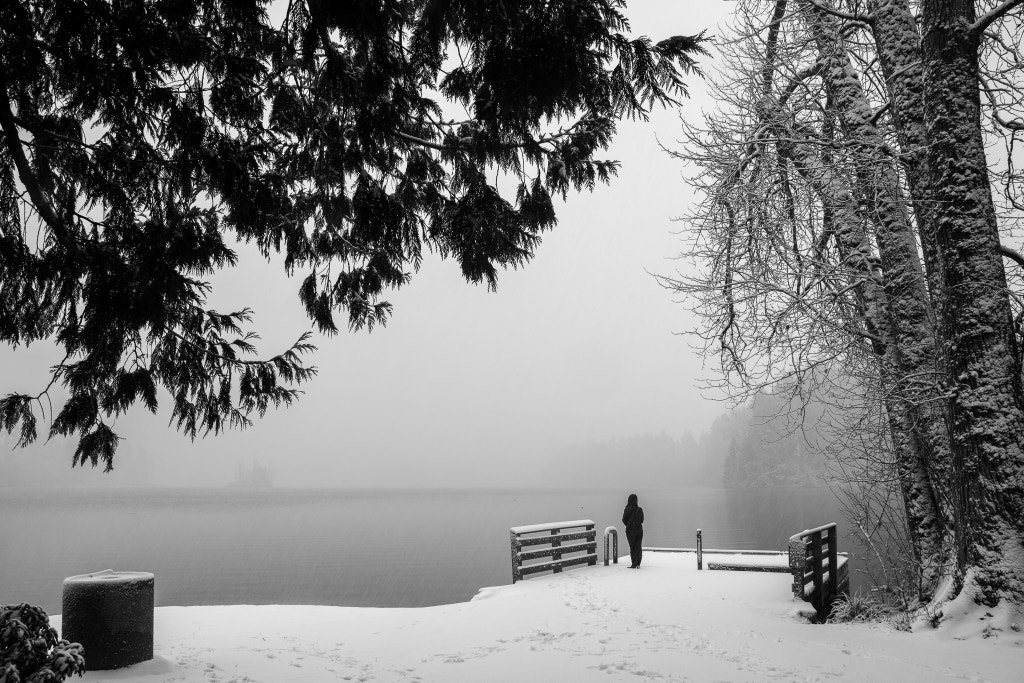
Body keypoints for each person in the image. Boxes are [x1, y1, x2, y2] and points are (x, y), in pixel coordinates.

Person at [622, 493, 644, 568]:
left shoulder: (627, 510)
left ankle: (634, 563)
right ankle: (638, 563)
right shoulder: (639, 510)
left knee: (632, 547)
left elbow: (624, 520)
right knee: (638, 546)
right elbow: (642, 520)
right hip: (639, 531)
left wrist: (629, 525)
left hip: (630, 531)